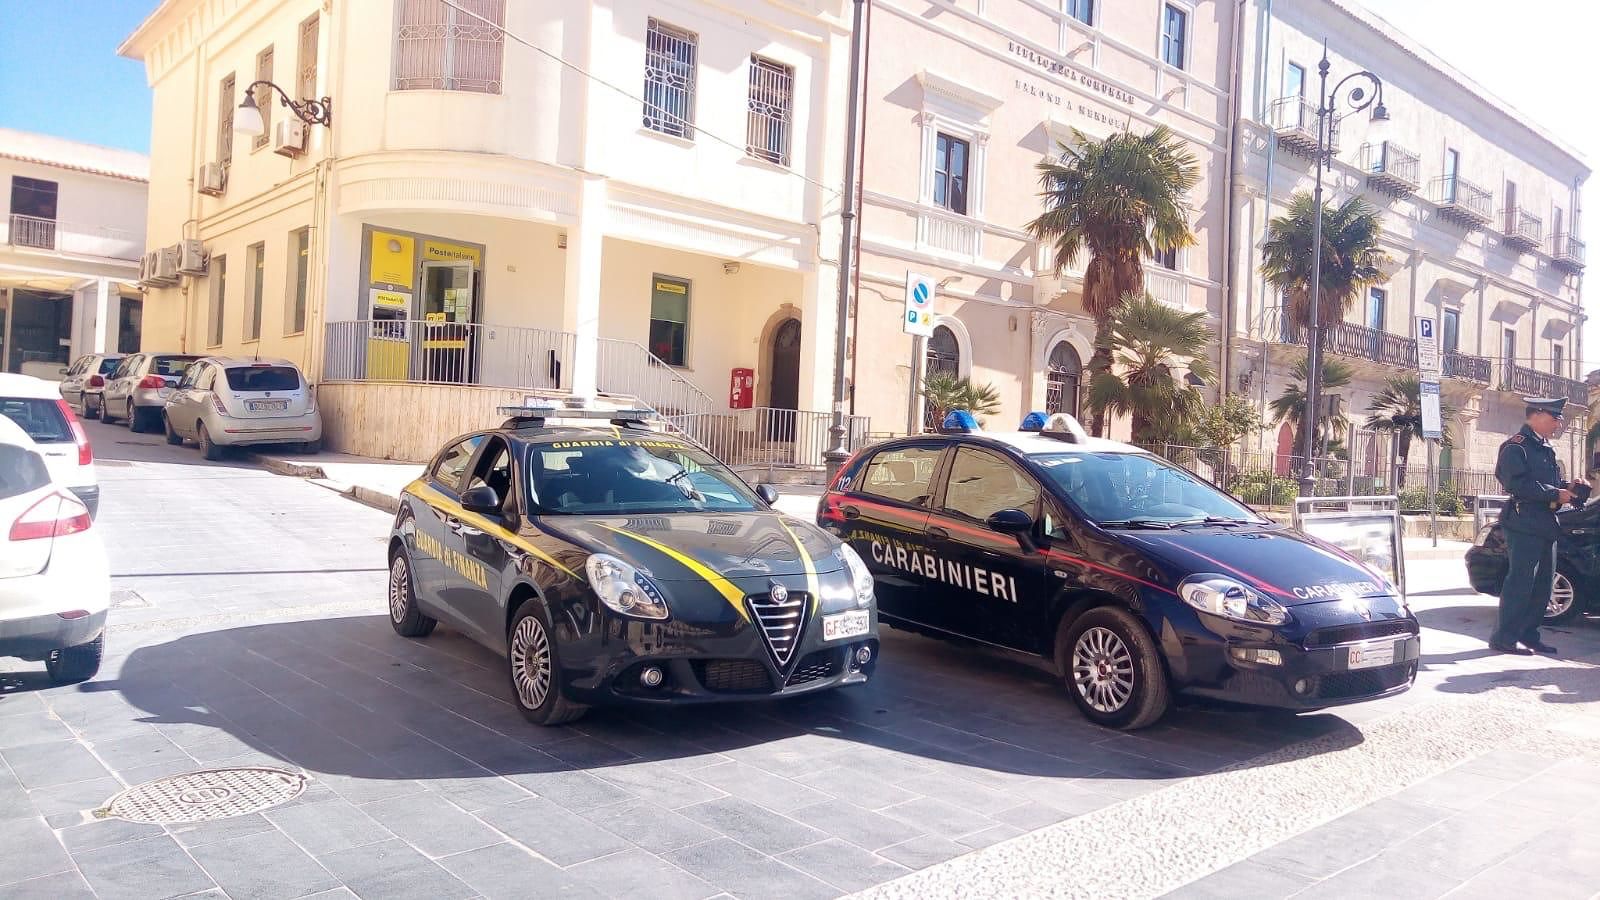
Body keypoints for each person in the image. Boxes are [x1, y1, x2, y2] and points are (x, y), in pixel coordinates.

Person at [1490, 396, 1590, 655]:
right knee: (1520, 583)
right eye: (1555, 418)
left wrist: (1570, 488)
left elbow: (1548, 483)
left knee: (1543, 585)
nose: (1558, 424)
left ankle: (1529, 635)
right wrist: (1555, 493)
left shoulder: (1545, 447)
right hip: (1523, 522)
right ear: (1536, 415)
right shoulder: (1516, 447)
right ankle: (1504, 637)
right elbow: (1516, 484)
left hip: (1546, 523)